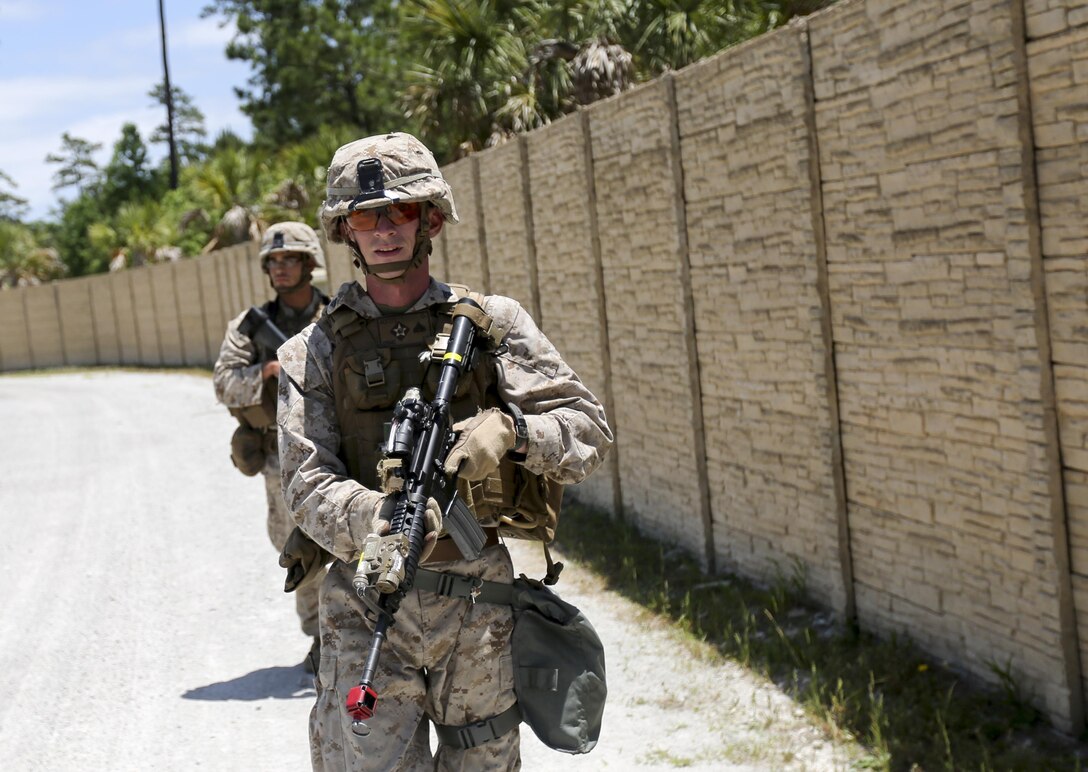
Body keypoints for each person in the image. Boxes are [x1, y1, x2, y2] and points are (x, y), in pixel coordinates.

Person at [276, 132, 613, 770]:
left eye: (399, 211)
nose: (383, 230)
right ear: (346, 231)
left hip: (478, 608)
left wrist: (514, 433)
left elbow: (589, 432)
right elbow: (306, 483)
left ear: (430, 218)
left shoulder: (493, 325)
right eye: (365, 216)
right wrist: (382, 518)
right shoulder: (311, 351)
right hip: (366, 602)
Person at [213, 221, 331, 672]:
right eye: (273, 261)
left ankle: (356, 635)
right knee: (294, 543)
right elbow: (223, 384)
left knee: (349, 539)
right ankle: (320, 636)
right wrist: (262, 375)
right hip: (279, 455)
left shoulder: (339, 313)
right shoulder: (249, 327)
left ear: (309, 264)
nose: (281, 268)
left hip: (335, 446)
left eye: (290, 260)